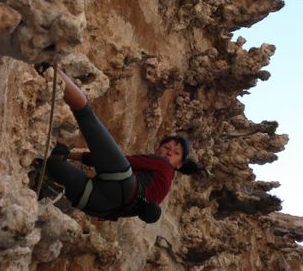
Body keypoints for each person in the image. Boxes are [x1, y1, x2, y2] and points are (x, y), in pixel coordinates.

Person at [42, 68, 202, 223]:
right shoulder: (162, 190)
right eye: (167, 148)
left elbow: (110, 160)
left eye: (175, 153)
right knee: (46, 160)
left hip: (123, 187)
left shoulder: (162, 165)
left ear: (179, 165)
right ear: (158, 148)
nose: (168, 153)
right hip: (98, 206)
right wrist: (66, 154)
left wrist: (70, 153)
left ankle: (49, 66)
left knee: (85, 113)